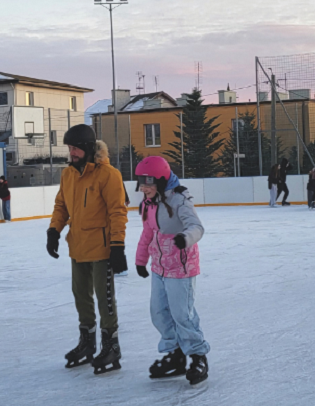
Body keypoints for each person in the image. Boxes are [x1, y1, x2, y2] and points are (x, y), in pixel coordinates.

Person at [46, 124, 129, 375]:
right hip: (78, 247)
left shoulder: (108, 175)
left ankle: (111, 345)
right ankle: (88, 343)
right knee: (81, 298)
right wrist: (54, 231)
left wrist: (117, 246)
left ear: (87, 148)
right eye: (69, 148)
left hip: (103, 249)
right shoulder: (68, 174)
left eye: (74, 148)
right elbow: (61, 206)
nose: (71, 153)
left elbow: (118, 212)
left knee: (105, 301)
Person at [132, 156, 210, 385]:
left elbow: (197, 227)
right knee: (159, 312)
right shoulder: (149, 203)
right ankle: (175, 355)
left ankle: (197, 356)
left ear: (162, 181)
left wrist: (185, 238)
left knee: (182, 314)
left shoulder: (179, 201)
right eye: (141, 182)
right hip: (159, 267)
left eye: (148, 182)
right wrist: (140, 260)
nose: (143, 187)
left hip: (181, 267)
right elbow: (148, 233)